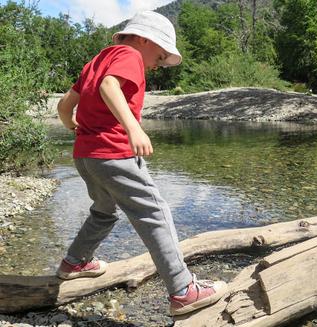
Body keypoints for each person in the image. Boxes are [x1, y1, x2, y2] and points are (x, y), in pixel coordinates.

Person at [56, 10, 227, 316]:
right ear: (144, 40)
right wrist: (134, 128)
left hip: (86, 155)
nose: (157, 65)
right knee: (154, 212)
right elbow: (110, 87)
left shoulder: (95, 61)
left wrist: (73, 128)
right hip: (114, 152)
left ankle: (75, 261)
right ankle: (183, 290)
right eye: (160, 57)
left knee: (103, 211)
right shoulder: (130, 55)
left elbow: (64, 106)